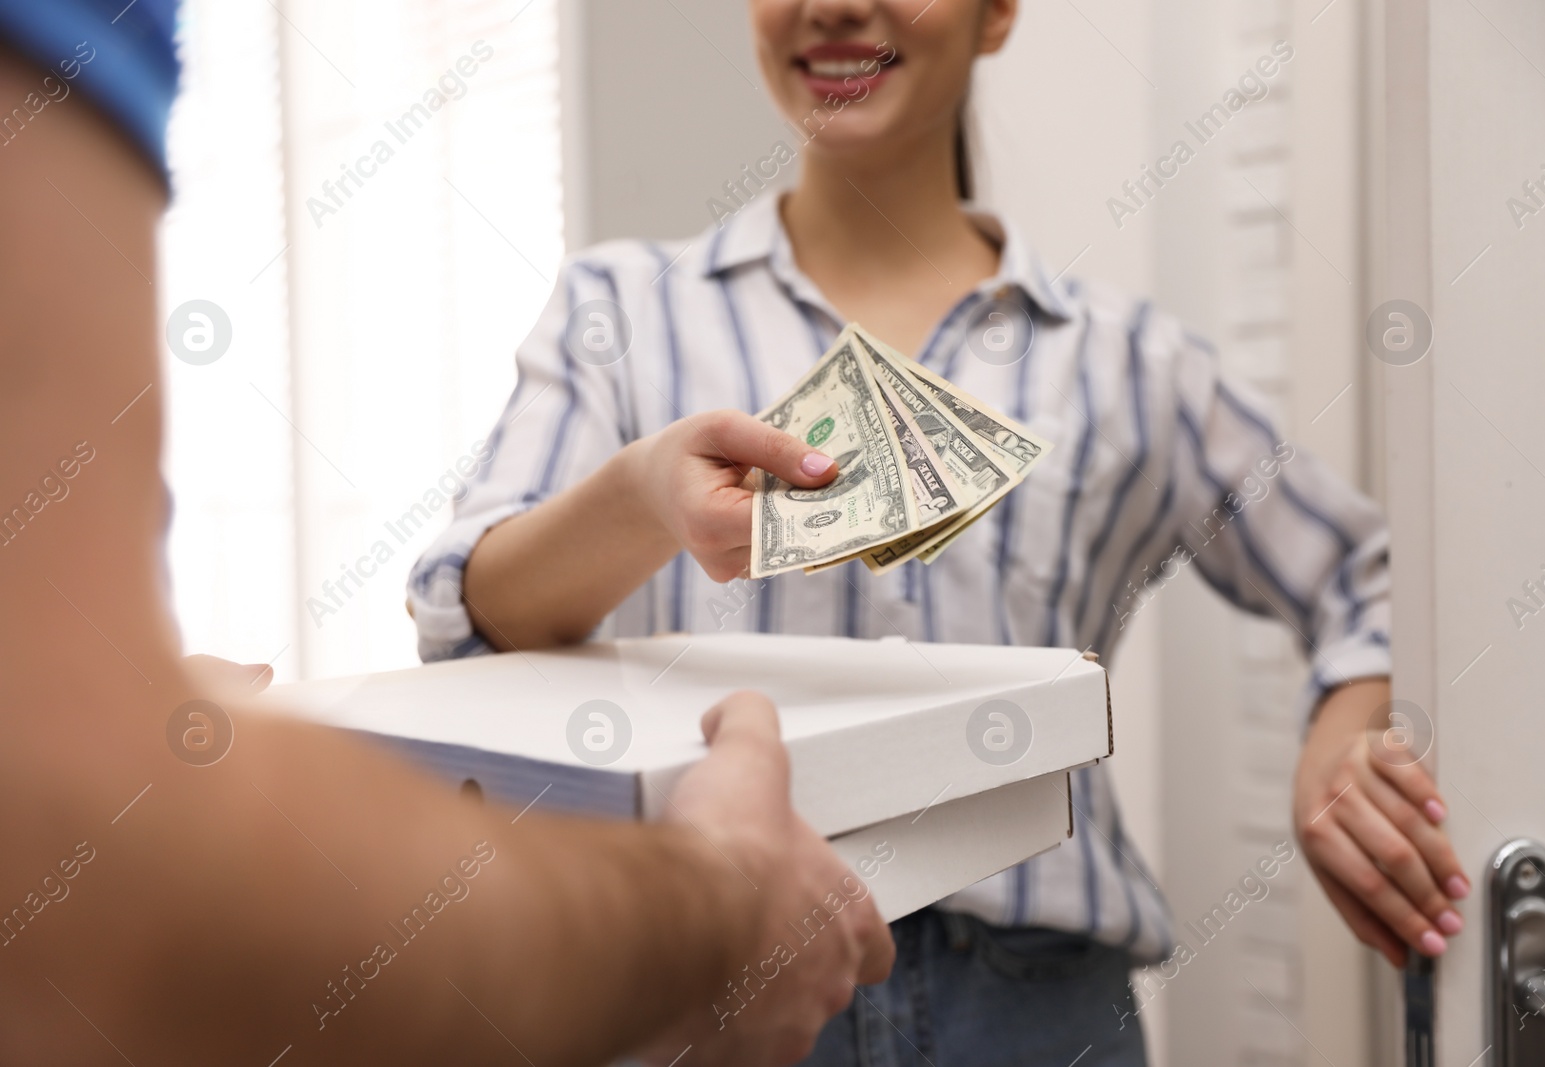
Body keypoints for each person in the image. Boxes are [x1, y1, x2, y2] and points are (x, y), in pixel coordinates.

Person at [409, 0, 1472, 1060]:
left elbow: (1367, 576)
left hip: (1039, 1006)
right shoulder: (623, 309)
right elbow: (474, 617)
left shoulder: (1132, 362)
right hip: (716, 989)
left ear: (996, 13)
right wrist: (644, 492)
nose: (834, 7)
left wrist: (1340, 734)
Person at [0, 2, 892, 1064]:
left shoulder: (1133, 354)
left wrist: (146, 731)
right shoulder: (622, 298)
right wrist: (721, 914)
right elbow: (79, 853)